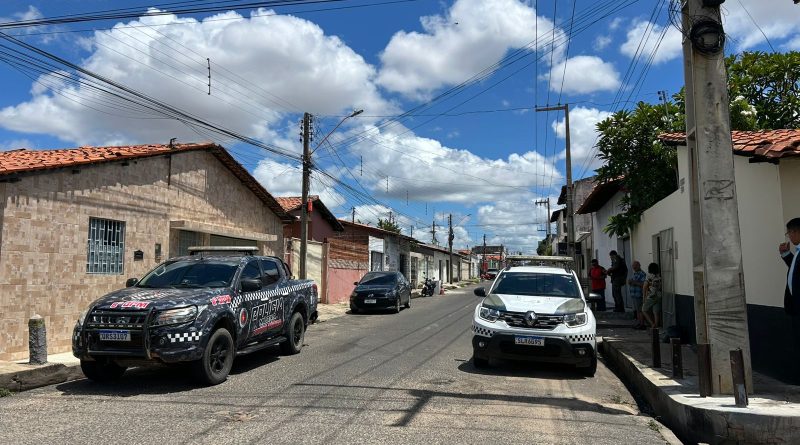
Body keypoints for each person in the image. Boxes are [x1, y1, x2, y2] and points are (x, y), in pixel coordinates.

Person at [641, 263, 662, 329]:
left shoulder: (649, 276)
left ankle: (652, 324)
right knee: (655, 311)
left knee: (644, 310)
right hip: (658, 296)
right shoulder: (659, 277)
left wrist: (644, 298)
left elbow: (644, 287)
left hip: (651, 296)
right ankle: (656, 325)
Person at [627, 261, 647, 329]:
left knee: (640, 310)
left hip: (639, 295)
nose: (634, 268)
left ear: (639, 266)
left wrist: (633, 282)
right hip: (634, 295)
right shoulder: (635, 273)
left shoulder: (642, 274)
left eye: (635, 266)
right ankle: (639, 323)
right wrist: (630, 282)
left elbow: (643, 284)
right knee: (637, 310)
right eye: (633, 266)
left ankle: (642, 324)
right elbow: (633, 282)